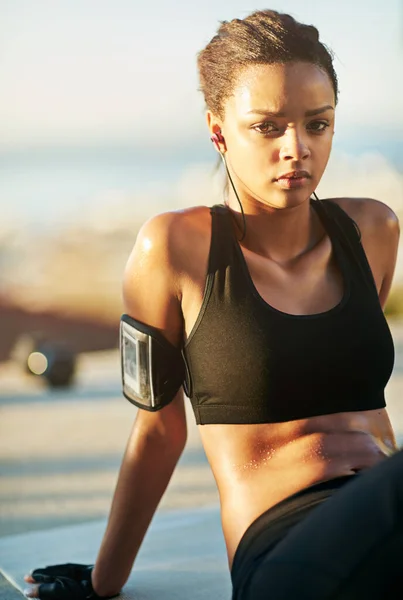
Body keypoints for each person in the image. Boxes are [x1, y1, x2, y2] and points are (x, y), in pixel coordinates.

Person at [24, 9, 402, 600]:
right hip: (289, 550)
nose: (296, 148)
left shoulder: (373, 229)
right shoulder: (173, 248)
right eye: (267, 127)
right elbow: (157, 430)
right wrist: (101, 584)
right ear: (219, 131)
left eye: (318, 124)